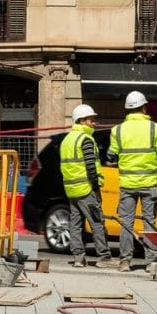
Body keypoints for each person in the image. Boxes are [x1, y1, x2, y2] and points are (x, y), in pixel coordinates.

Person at [107, 91, 157, 272]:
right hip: (149, 183)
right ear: (144, 107)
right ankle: (150, 262)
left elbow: (111, 154)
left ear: (127, 109)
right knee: (149, 221)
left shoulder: (117, 130)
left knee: (127, 222)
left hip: (127, 184)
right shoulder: (154, 128)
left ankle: (125, 261)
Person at [59, 104, 116, 269]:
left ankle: (78, 258)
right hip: (86, 189)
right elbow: (90, 165)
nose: (93, 123)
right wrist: (96, 185)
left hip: (72, 190)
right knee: (97, 223)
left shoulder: (67, 139)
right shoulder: (85, 139)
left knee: (75, 224)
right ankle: (104, 257)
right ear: (81, 120)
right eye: (91, 120)